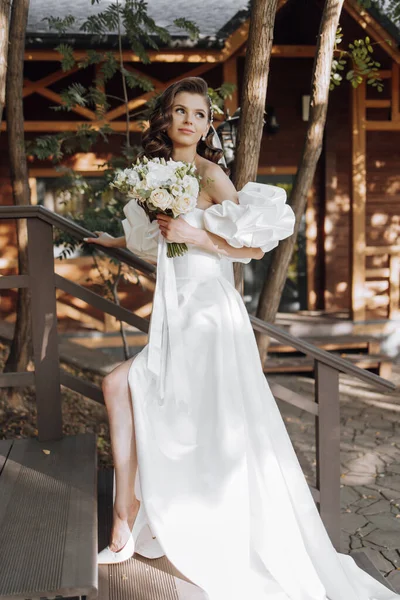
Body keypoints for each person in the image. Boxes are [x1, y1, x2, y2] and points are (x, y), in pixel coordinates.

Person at [85, 77, 399, 600]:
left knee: (140, 390)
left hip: (209, 312)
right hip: (175, 309)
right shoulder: (156, 175)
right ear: (165, 119)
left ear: (209, 125)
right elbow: (153, 238)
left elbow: (250, 249)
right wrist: (114, 238)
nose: (190, 121)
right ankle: (131, 514)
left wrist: (197, 235)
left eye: (200, 114)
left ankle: (136, 516)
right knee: (129, 388)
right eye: (180, 111)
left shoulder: (210, 174)